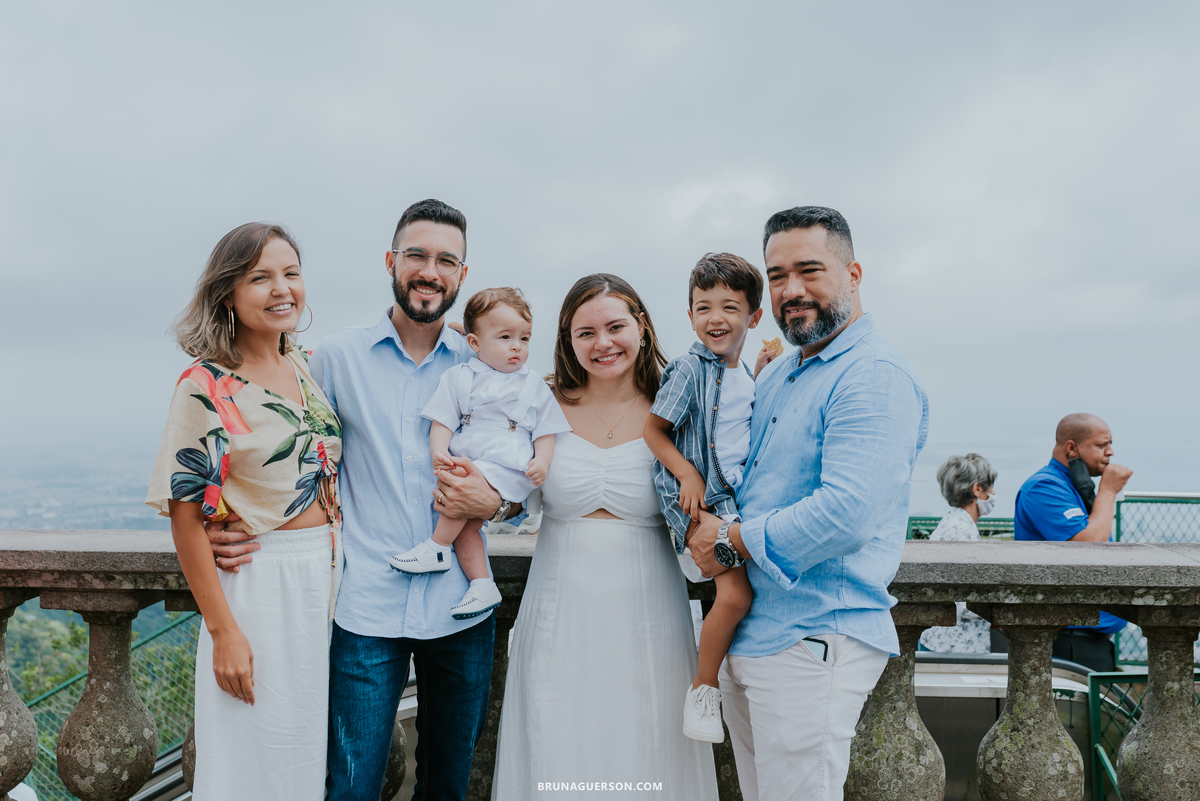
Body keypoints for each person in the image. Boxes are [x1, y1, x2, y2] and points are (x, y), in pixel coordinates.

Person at [207, 200, 518, 801]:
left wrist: (498, 502)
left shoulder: (486, 364)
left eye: (446, 261)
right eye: (417, 255)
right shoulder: (334, 358)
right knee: (350, 786)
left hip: (461, 605)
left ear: (462, 274)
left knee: (449, 786)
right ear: (391, 261)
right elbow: (281, 446)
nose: (430, 271)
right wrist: (227, 519)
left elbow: (522, 464)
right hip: (364, 605)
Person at [688, 207, 929, 801]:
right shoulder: (779, 373)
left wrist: (729, 540)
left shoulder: (873, 374)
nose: (791, 290)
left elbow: (847, 513)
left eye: (809, 271)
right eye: (776, 276)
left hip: (813, 638)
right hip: (755, 635)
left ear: (854, 274)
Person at [492, 274, 719, 800]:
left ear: (641, 326)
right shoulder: (539, 402)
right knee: (554, 738)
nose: (603, 343)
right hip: (558, 614)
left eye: (615, 327)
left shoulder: (677, 407)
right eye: (585, 333)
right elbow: (501, 477)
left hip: (651, 615)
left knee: (649, 743)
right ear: (567, 340)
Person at [147, 223, 342, 800]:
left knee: (308, 758)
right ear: (227, 293)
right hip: (263, 585)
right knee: (258, 758)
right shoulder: (205, 384)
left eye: (291, 273)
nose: (282, 289)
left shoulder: (303, 364)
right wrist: (223, 632)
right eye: (260, 278)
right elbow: (186, 518)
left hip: (331, 578)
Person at [644, 252, 772, 743]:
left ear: (753, 318)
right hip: (701, 502)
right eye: (703, 308)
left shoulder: (743, 377)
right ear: (690, 315)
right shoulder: (689, 369)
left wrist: (758, 371)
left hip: (735, 503)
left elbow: (736, 428)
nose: (715, 318)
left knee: (745, 593)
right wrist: (687, 475)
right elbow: (654, 431)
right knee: (736, 596)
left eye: (729, 307)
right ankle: (702, 690)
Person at [391, 287, 571, 619]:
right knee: (468, 525)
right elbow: (443, 419)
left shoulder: (532, 384)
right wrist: (438, 449)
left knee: (459, 488)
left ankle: (437, 547)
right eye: (505, 337)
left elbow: (547, 429)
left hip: (508, 461)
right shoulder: (458, 377)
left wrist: (542, 461)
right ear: (474, 343)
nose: (517, 346)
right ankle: (482, 583)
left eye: (524, 338)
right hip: (473, 455)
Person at [1014, 413, 1133, 672]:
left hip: (1089, 640)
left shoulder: (1073, 487)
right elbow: (1087, 547)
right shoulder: (1044, 487)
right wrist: (1108, 491)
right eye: (1102, 445)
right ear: (1072, 448)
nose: (1110, 452)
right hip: (1068, 640)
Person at [918, 453, 996, 654]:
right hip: (954, 646)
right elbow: (964, 600)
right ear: (977, 489)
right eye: (990, 487)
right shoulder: (961, 531)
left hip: (944, 642)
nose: (993, 492)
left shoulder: (953, 522)